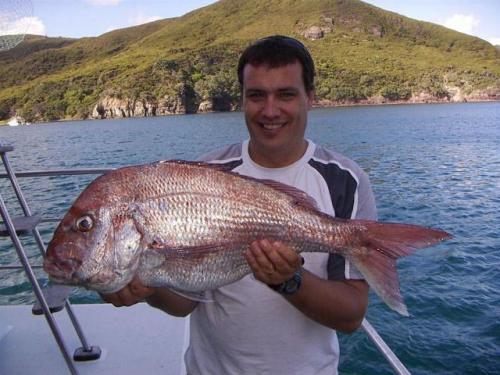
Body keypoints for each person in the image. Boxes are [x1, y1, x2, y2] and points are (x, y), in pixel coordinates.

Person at [102, 35, 377, 375]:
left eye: (286, 94)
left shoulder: (344, 180)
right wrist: (146, 290)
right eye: (256, 96)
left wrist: (290, 280)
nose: (270, 110)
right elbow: (185, 302)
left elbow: (350, 315)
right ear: (242, 101)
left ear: (310, 98)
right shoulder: (204, 176)